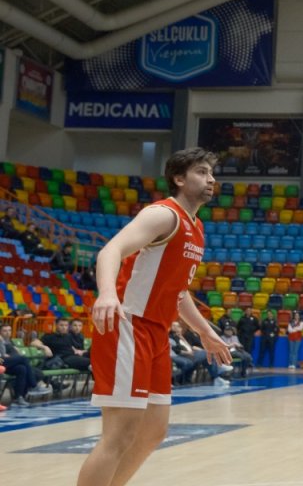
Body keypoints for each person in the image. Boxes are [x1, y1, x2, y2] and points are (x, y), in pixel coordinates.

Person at [77, 148, 232, 486]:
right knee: (119, 434)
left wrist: (204, 331)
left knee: (152, 432)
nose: (211, 180)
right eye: (201, 172)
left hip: (157, 333)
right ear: (179, 178)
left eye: (211, 174)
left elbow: (178, 292)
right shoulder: (164, 214)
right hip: (128, 324)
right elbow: (110, 250)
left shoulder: (196, 227)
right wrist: (107, 293)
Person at [1, 323, 52, 406]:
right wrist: (3, 355)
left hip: (8, 363)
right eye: (4, 331)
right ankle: (33, 385)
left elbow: (14, 351)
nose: (7, 333)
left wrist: (15, 352)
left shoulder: (9, 341)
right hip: (2, 361)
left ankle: (18, 397)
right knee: (23, 359)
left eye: (9, 330)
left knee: (22, 369)